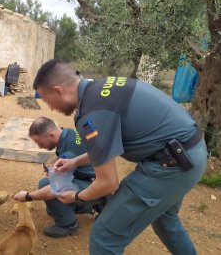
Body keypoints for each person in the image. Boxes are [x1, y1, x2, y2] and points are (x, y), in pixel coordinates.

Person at [32, 59, 208, 254]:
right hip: (192, 152)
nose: (50, 107)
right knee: (166, 220)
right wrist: (76, 161)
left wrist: (76, 196)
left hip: (170, 166)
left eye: (47, 101)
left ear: (59, 90)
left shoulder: (91, 114)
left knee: (104, 236)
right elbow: (107, 146)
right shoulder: (101, 88)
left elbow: (108, 183)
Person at [14, 117, 107, 238]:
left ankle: (68, 225)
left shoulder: (69, 150)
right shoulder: (68, 134)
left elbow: (54, 189)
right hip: (94, 180)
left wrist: (28, 196)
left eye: (40, 142)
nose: (40, 147)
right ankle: (94, 204)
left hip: (96, 187)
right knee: (49, 186)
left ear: (51, 135)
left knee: (45, 185)